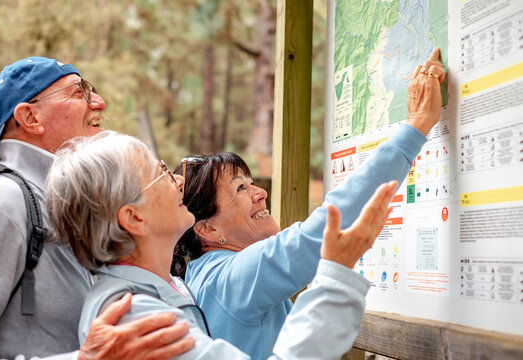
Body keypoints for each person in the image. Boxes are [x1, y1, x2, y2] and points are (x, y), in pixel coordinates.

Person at [172, 48, 446, 358]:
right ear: (207, 228)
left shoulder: (204, 275)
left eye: (251, 182)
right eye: (239, 189)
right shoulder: (229, 279)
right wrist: (416, 127)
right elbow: (317, 234)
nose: (259, 192)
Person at [45, 130, 398, 359]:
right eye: (162, 174)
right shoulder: (141, 321)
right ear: (133, 218)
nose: (179, 181)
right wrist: (336, 279)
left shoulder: (164, 292)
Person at [0, 57, 194, 360]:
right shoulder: (0, 200)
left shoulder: (72, 201)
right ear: (30, 118)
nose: (99, 102)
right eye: (79, 92)